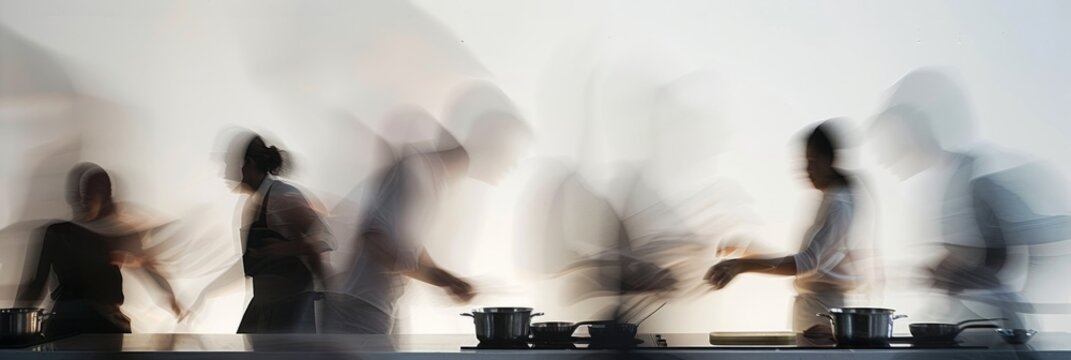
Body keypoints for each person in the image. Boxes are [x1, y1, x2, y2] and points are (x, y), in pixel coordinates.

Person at [704, 121, 868, 342]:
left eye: (811, 161)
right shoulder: (832, 200)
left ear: (829, 160)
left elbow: (807, 263)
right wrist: (748, 251)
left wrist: (742, 265)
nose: (806, 170)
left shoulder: (839, 205)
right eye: (803, 162)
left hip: (823, 315)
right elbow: (807, 263)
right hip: (816, 311)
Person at [15, 163, 180, 335]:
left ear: (104, 197)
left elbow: (147, 266)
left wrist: (171, 299)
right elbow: (36, 284)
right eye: (79, 195)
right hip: (71, 324)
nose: (81, 202)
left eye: (88, 195)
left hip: (99, 325)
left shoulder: (117, 234)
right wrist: (17, 321)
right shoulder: (57, 233)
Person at [224, 132, 334, 333]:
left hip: (292, 309)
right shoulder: (255, 203)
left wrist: (288, 248)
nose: (226, 172)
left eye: (230, 163)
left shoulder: (281, 196)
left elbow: (326, 238)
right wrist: (208, 292)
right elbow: (254, 261)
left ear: (249, 164)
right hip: (266, 307)